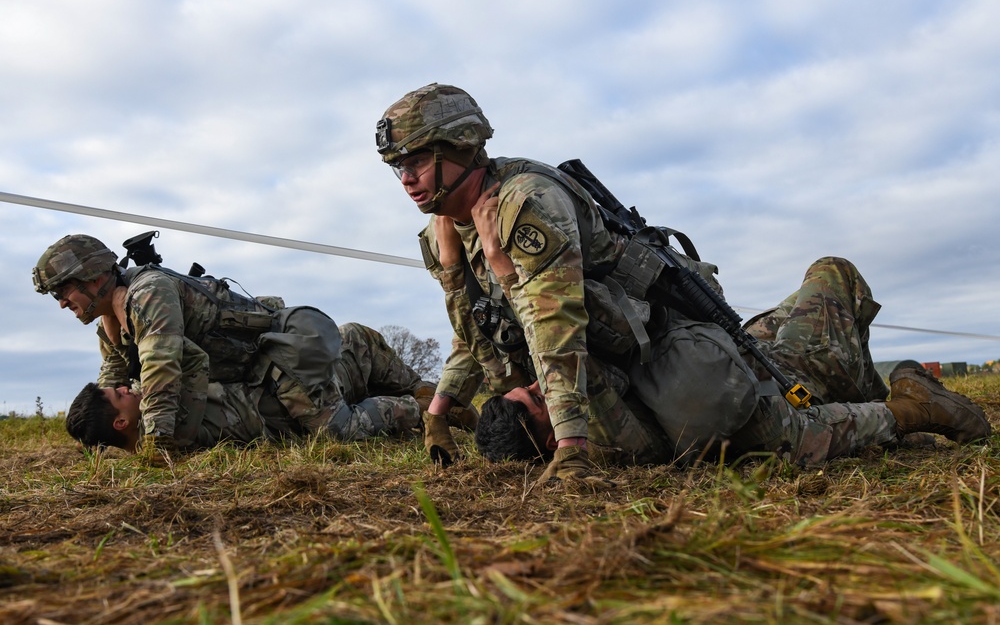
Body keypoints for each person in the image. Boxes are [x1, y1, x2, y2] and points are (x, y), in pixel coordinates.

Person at [375, 83, 990, 478]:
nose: (406, 177)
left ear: (461, 146)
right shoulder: (442, 232)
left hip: (678, 354)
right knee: (794, 401)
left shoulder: (526, 204)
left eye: (417, 158)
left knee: (792, 395)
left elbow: (554, 329)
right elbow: (490, 343)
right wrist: (442, 398)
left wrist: (572, 450)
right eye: (397, 165)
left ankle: (908, 405)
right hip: (641, 379)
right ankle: (894, 397)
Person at [475, 257, 993, 467]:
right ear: (547, 440)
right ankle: (913, 400)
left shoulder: (574, 403)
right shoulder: (597, 427)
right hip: (768, 391)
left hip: (734, 361)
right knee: (835, 274)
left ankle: (874, 381)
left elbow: (493, 349)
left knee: (799, 318)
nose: (546, 387)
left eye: (533, 389)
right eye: (539, 402)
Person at [34, 234, 433, 459]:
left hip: (278, 357)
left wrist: (157, 445)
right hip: (251, 380)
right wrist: (99, 445)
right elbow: (110, 387)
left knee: (334, 433)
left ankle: (426, 408)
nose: (62, 303)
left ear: (90, 277)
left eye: (62, 291)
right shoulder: (112, 324)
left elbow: (160, 368)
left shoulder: (148, 293)